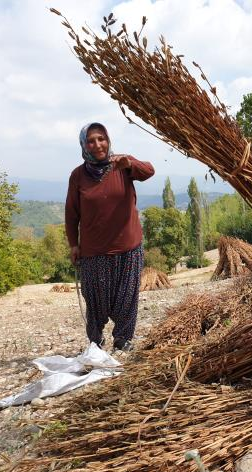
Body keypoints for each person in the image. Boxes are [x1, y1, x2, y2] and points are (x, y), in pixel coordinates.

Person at [65, 122, 155, 352]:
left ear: (108, 140)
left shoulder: (122, 164)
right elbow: (71, 214)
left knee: (126, 297)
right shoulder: (78, 176)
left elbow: (149, 171)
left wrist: (131, 163)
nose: (97, 145)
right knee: (95, 299)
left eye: (101, 139)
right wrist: (74, 245)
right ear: (84, 145)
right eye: (91, 140)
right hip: (94, 251)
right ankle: (96, 340)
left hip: (128, 246)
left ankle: (123, 339)